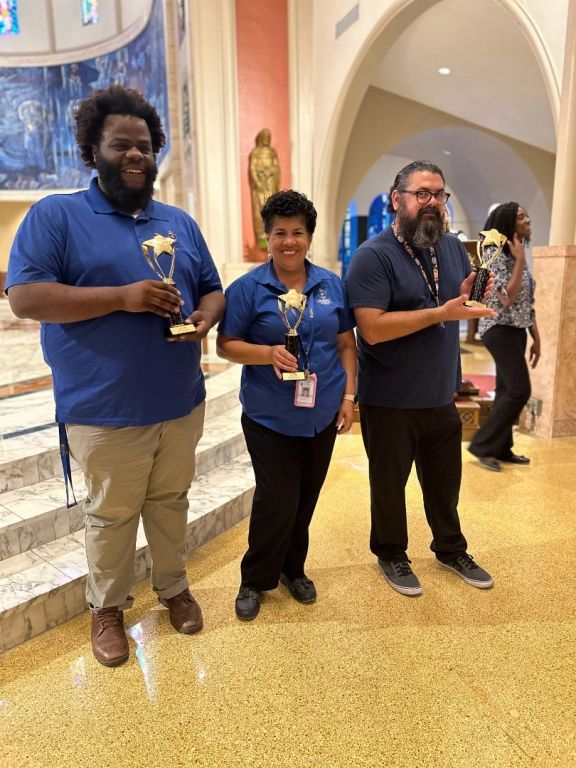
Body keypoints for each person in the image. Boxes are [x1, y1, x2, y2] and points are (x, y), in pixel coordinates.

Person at [5, 85, 225, 666]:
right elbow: (25, 297)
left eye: (146, 147)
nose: (135, 156)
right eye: (121, 145)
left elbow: (211, 287)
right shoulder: (57, 215)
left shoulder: (177, 221)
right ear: (93, 151)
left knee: (172, 500)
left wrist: (206, 317)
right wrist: (123, 298)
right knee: (110, 515)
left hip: (179, 399)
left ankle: (174, 587)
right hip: (103, 407)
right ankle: (107, 608)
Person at [345, 160, 497, 597]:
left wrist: (467, 296)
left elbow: (451, 300)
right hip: (390, 398)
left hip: (440, 394)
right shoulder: (372, 256)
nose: (432, 203)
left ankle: (451, 549)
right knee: (389, 487)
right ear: (398, 200)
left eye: (439, 195)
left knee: (445, 484)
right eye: (422, 194)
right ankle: (392, 554)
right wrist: (440, 313)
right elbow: (371, 328)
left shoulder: (449, 247)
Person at [217, 190, 357, 620]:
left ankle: (293, 570)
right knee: (276, 498)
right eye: (280, 232)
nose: (289, 241)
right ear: (268, 237)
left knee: (306, 497)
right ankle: (254, 578)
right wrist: (266, 353)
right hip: (269, 415)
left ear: (309, 237)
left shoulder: (331, 285)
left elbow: (346, 344)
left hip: (322, 412)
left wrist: (349, 396)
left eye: (297, 232)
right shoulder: (247, 289)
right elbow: (226, 345)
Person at [468, 202, 540, 471]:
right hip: (498, 330)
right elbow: (507, 299)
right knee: (520, 390)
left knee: (506, 390)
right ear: (509, 223)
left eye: (526, 214)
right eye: (521, 217)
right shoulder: (494, 255)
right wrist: (520, 260)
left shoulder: (515, 254)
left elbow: (526, 302)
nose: (528, 219)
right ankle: (482, 446)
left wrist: (537, 338)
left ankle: (501, 448)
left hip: (517, 329)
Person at [248, 128, 280, 250]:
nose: (267, 140)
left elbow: (277, 168)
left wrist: (273, 177)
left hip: (270, 186)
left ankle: (272, 233)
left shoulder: (272, 152)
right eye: (265, 137)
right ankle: (262, 236)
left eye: (269, 137)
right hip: (261, 188)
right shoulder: (255, 153)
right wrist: (258, 182)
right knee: (260, 210)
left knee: (271, 210)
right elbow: (252, 169)